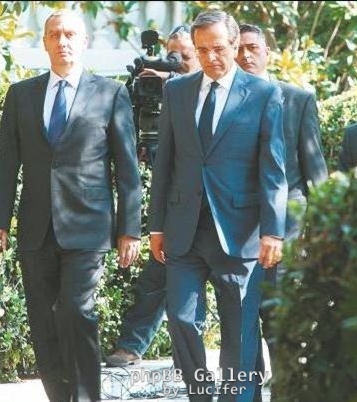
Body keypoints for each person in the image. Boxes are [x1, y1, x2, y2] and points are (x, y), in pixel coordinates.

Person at [0, 10, 142, 402]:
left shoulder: (110, 94)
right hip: (36, 227)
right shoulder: (21, 95)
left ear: (84, 41)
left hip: (89, 228)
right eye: (55, 34)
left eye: (70, 34)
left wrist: (130, 228)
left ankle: (87, 397)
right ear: (44, 42)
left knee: (76, 310)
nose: (63, 42)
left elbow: (127, 168)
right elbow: (6, 163)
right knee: (43, 322)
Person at [149, 10, 288, 402]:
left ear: (235, 44)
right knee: (180, 319)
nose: (211, 57)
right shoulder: (177, 92)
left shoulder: (263, 94)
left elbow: (273, 169)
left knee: (239, 333)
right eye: (202, 50)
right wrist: (156, 225)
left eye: (219, 48)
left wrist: (273, 231)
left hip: (240, 233)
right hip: (185, 230)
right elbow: (165, 163)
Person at [234, 23, 329, 398]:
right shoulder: (223, 101)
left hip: (287, 226)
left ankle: (289, 392)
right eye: (239, 48)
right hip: (237, 226)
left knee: (279, 318)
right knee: (241, 321)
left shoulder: (297, 99)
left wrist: (322, 227)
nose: (245, 55)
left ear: (267, 52)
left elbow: (315, 169)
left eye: (253, 47)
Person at [105, 24, 202, 368]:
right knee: (157, 274)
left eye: (185, 57)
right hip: (176, 205)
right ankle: (132, 344)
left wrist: (174, 84)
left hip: (214, 207)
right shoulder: (156, 90)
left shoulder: (209, 92)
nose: (176, 63)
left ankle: (196, 357)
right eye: (171, 56)